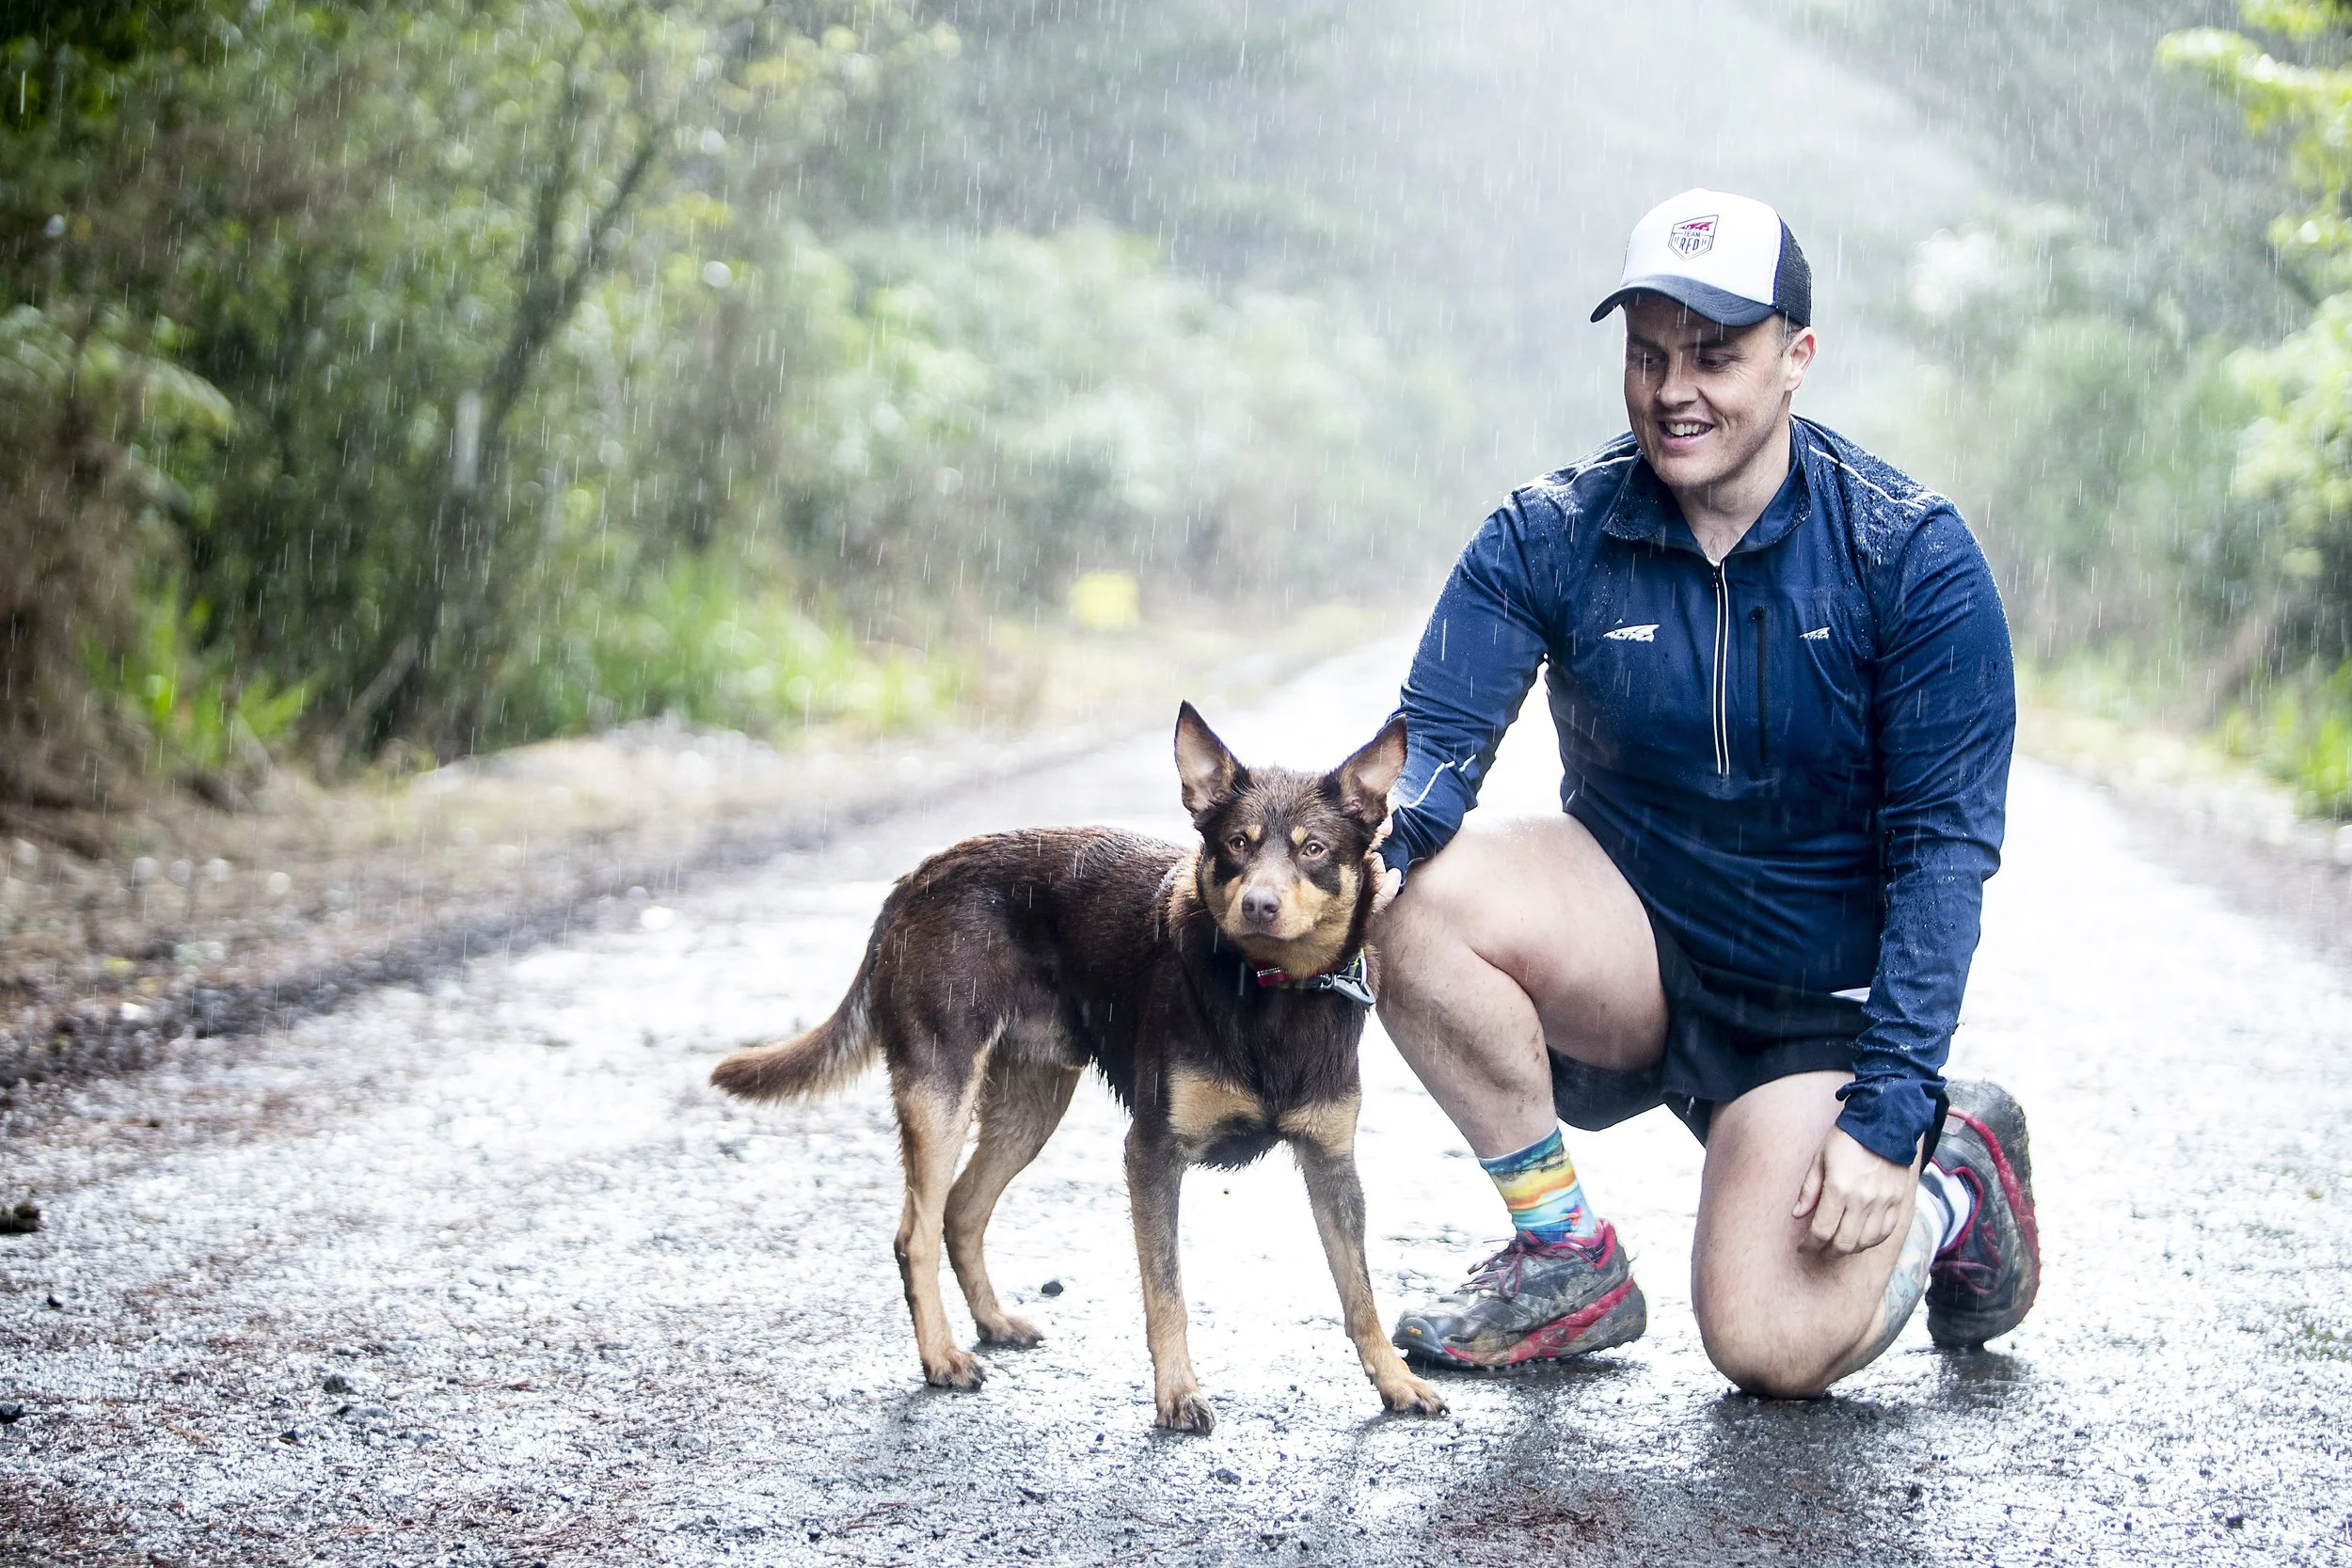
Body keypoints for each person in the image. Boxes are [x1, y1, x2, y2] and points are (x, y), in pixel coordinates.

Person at [1368, 189, 2039, 1397]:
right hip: (1628, 948)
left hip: (1812, 1010)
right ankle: (1562, 1252)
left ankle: (1954, 1179)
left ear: (1797, 358)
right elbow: (1432, 759)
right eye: (1647, 354)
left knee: (1771, 1347)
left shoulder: (1912, 557)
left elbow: (1944, 856)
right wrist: (1351, 860)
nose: (1674, 390)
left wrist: (1889, 1117)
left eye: (1716, 356)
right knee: (1411, 902)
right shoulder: (1549, 532)